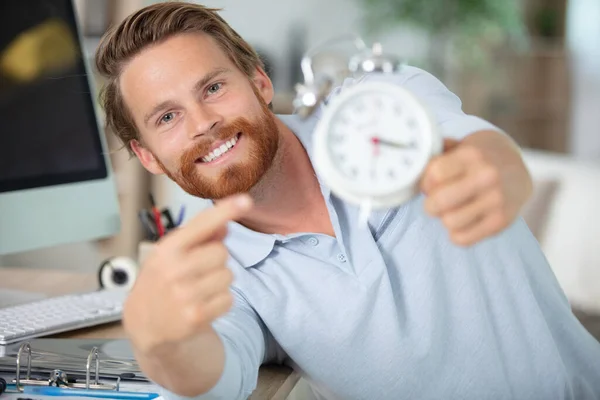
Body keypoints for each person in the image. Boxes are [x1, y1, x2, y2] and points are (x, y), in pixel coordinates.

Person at [94, 2, 600, 400]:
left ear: (259, 80)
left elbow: (477, 146)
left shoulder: (379, 106)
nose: (203, 122)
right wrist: (162, 346)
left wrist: (498, 170)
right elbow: (217, 376)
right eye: (167, 118)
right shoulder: (214, 266)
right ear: (149, 157)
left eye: (213, 86)